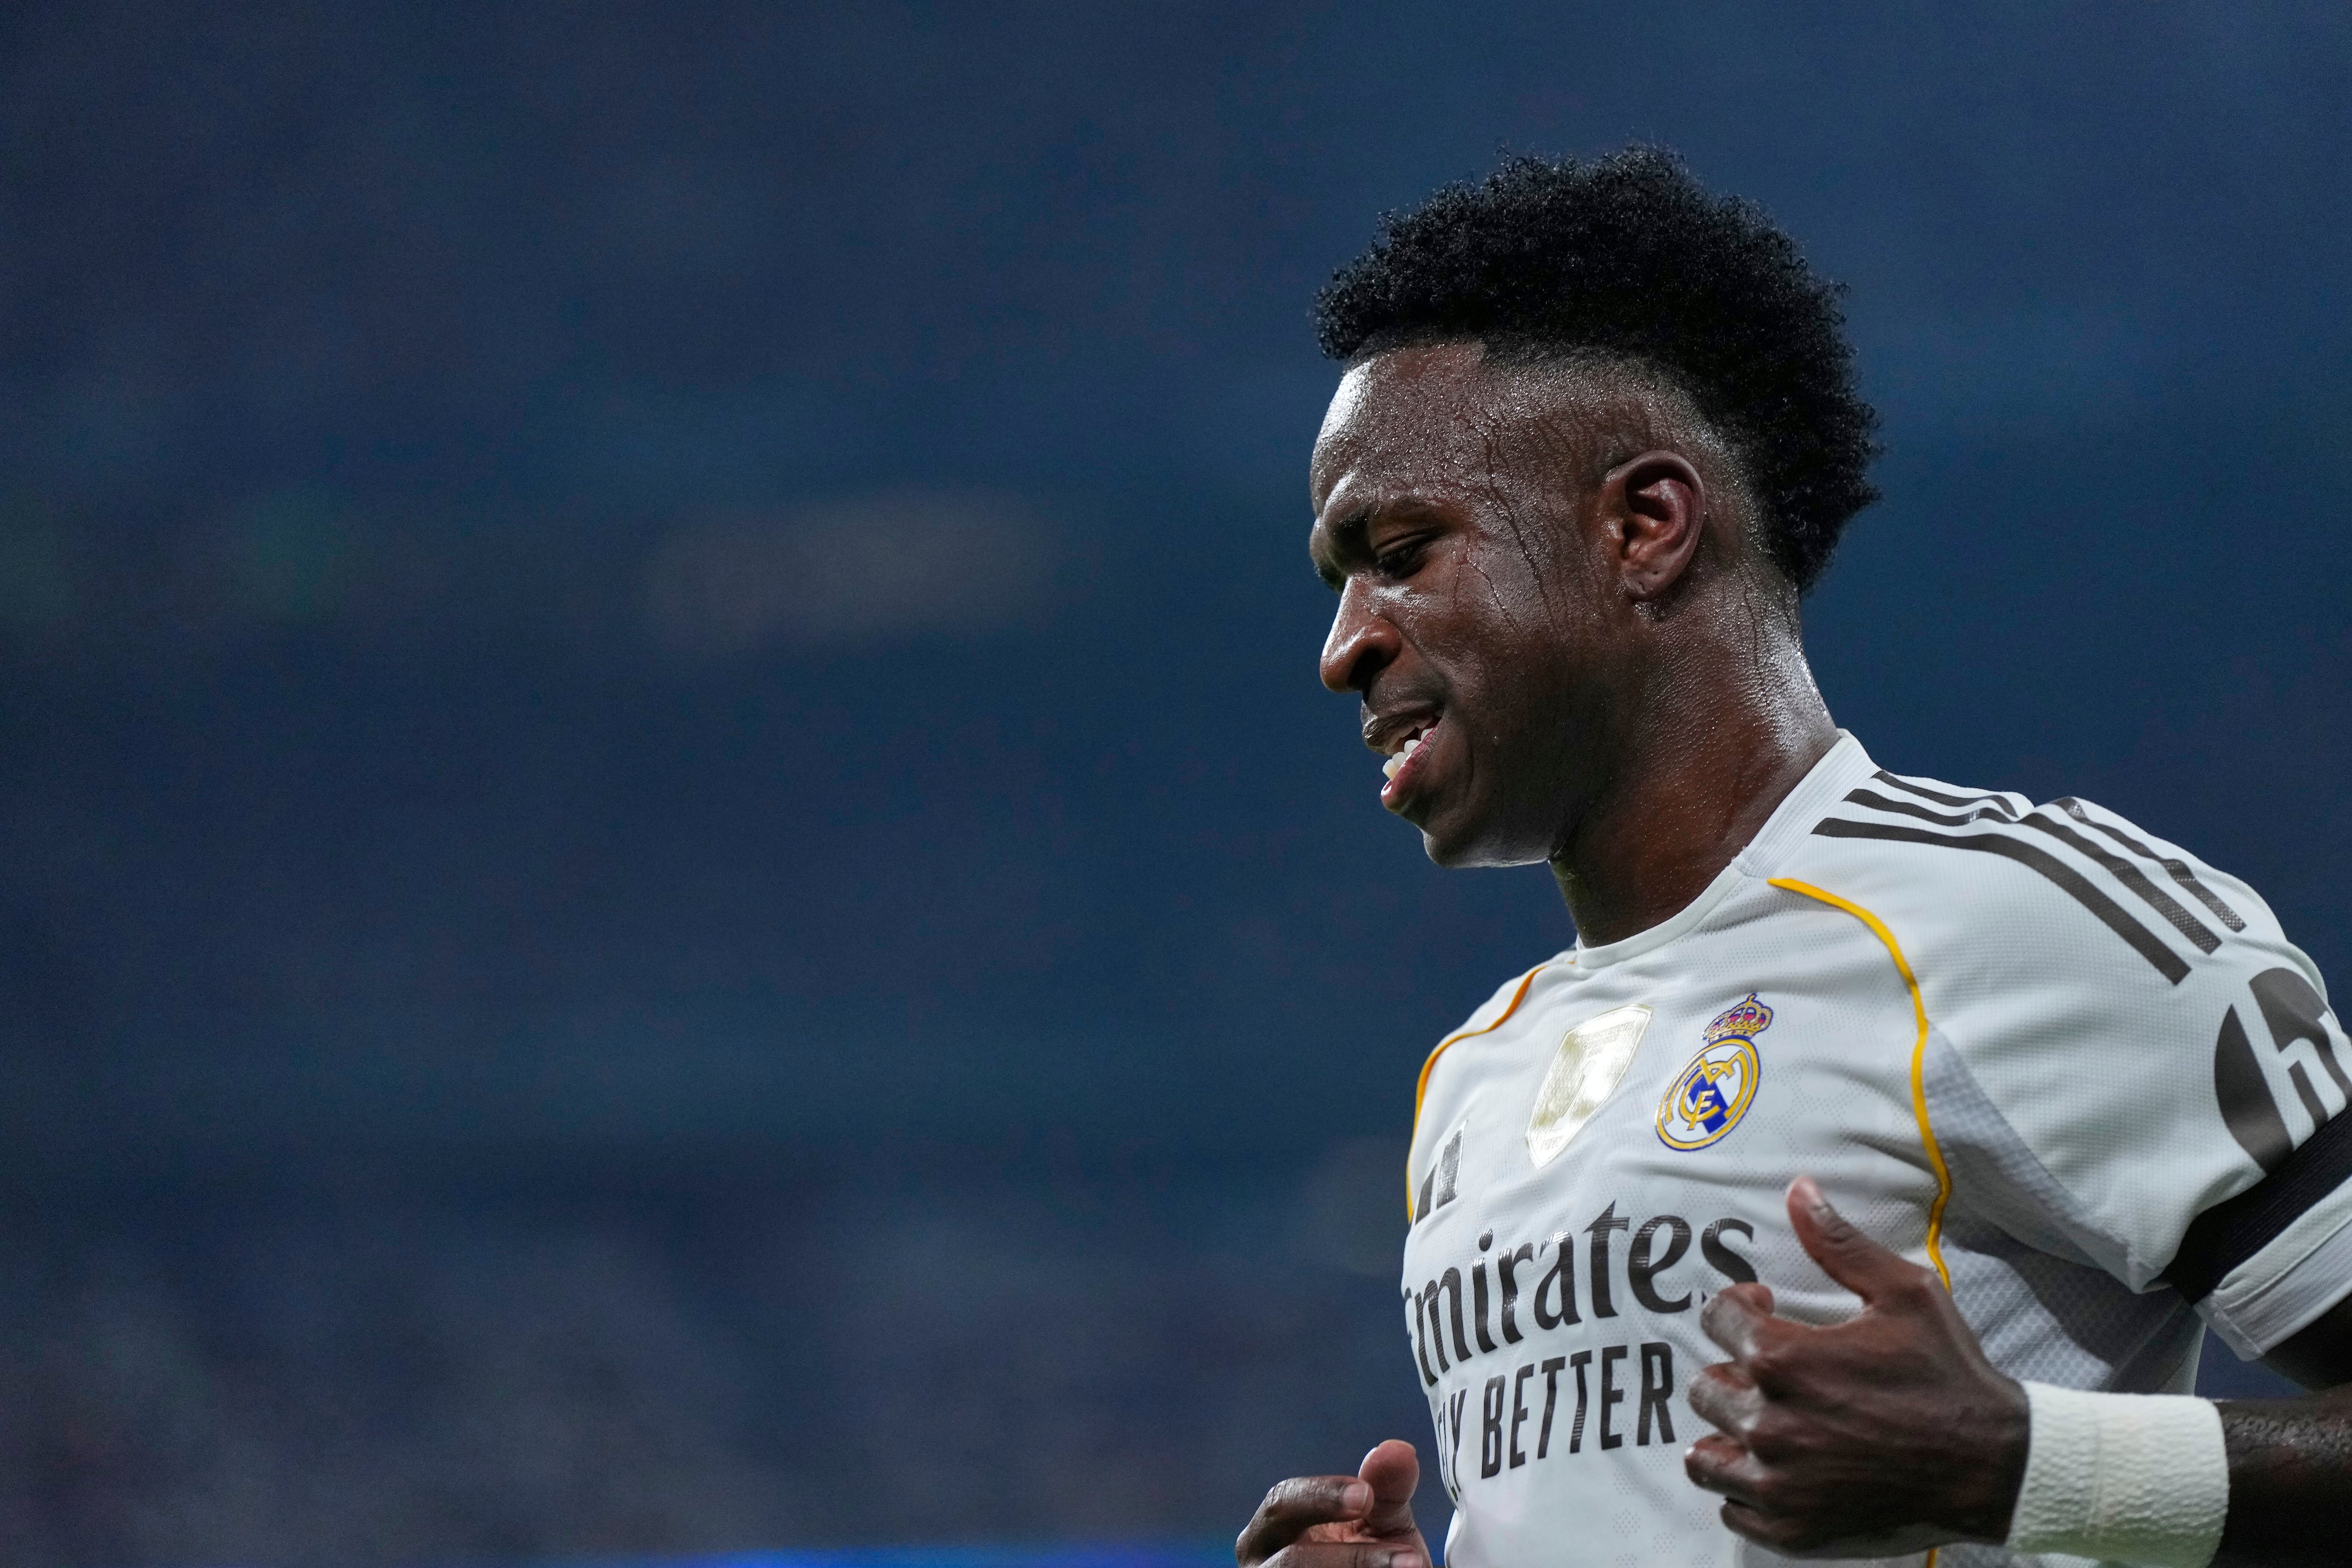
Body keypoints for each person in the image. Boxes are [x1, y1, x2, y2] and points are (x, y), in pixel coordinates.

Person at [1232, 147, 2352, 1568]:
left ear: (1644, 526)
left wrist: (2029, 1464)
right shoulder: (1478, 1077)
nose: (1345, 650)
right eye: (1339, 585)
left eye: (1401, 548)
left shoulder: (2028, 924)